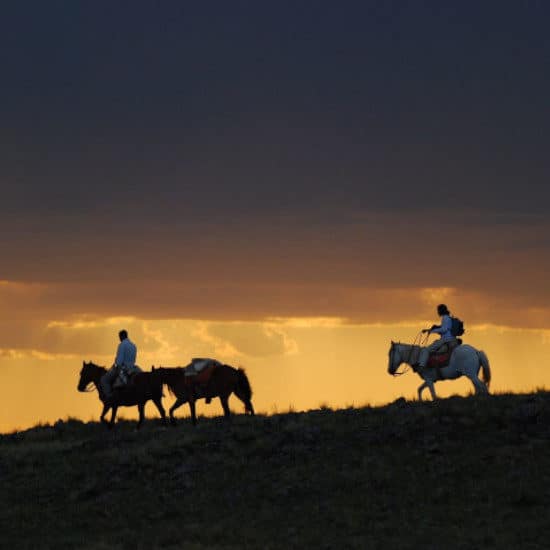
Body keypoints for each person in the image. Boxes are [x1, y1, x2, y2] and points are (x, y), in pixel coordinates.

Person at [100, 329, 140, 403]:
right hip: (133, 367)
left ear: (122, 336)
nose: (119, 339)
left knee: (104, 380)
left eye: (119, 337)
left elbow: (119, 360)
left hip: (123, 368)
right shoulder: (133, 345)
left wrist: (116, 365)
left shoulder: (122, 345)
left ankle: (109, 397)